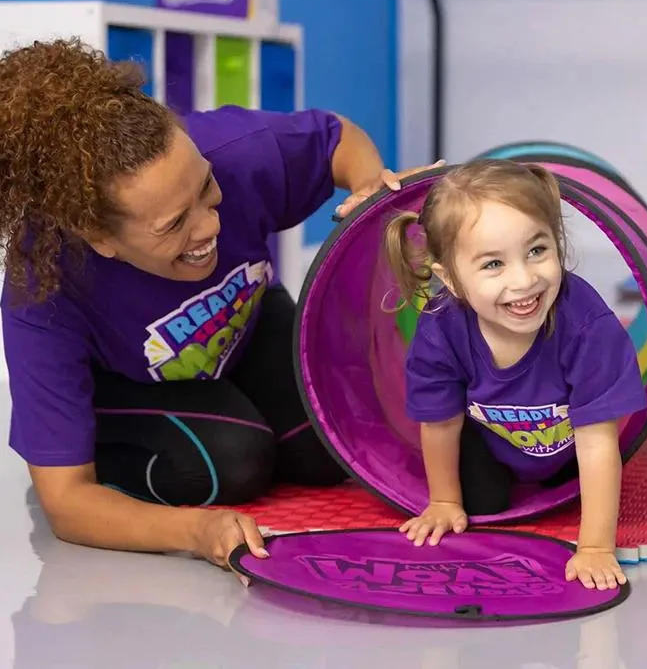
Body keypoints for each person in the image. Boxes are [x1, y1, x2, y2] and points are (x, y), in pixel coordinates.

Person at [0, 37, 439, 571]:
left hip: (245, 324)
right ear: (99, 237)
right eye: (173, 225)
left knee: (336, 443)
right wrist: (193, 529)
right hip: (133, 384)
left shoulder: (229, 149)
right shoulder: (41, 289)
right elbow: (67, 503)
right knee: (236, 458)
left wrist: (372, 186)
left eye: (205, 189)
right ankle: (122, 453)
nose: (210, 225)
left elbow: (338, 139)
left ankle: (246, 414)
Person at [384, 159, 647, 591]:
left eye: (537, 251)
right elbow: (440, 420)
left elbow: (598, 441)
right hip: (490, 446)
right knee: (481, 506)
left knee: (585, 483)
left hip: (571, 453)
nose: (524, 280)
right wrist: (444, 500)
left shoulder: (586, 325)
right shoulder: (442, 329)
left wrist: (596, 547)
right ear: (450, 279)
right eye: (492, 265)